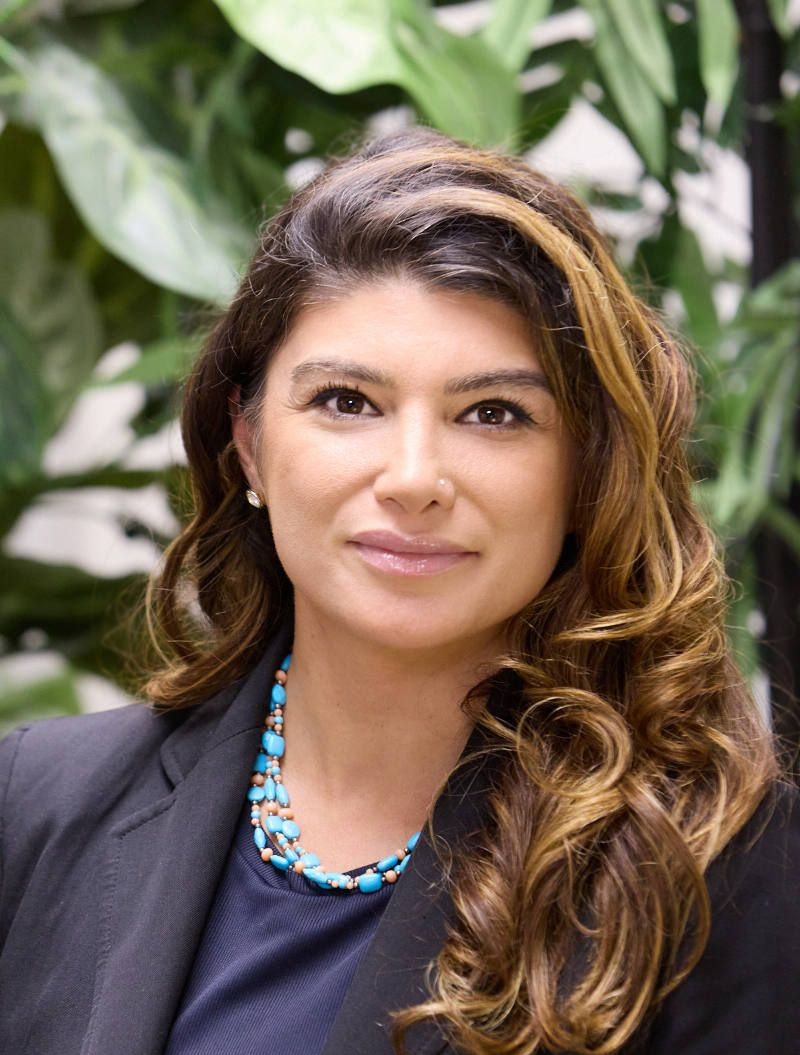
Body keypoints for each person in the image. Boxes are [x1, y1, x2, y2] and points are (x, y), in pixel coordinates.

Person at [1, 126, 798, 1055]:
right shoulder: (40, 801)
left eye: (494, 413)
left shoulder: (720, 869)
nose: (414, 475)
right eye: (347, 401)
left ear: (584, 472)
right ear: (250, 441)